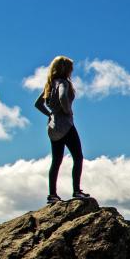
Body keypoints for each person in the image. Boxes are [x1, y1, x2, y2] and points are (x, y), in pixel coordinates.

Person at [34, 56, 92, 204]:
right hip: (66, 124)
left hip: (53, 127)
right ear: (65, 68)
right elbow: (62, 96)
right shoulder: (63, 83)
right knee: (78, 157)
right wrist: (67, 111)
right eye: (70, 68)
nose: (72, 70)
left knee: (56, 160)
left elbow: (38, 104)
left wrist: (50, 114)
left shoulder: (49, 84)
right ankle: (76, 191)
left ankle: (52, 195)